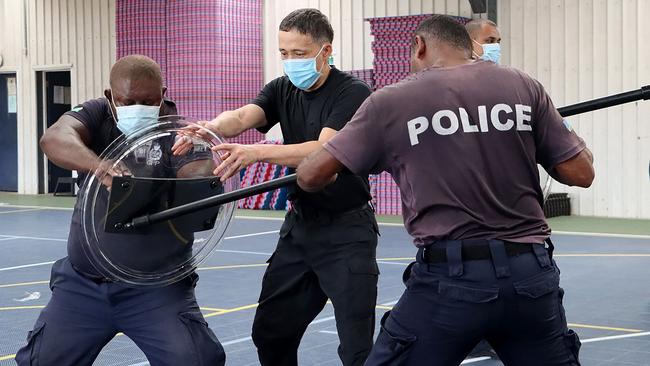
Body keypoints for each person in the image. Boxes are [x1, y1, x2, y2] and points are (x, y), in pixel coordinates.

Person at [297, 14, 593, 365]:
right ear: (469, 47)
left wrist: (334, 167)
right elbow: (580, 173)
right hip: (531, 276)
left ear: (419, 46)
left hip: (451, 282)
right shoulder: (522, 85)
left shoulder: (391, 101)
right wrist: (563, 133)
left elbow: (311, 176)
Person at [173, 8, 378, 366]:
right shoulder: (281, 89)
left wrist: (257, 152)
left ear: (325, 52)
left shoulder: (353, 92)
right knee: (271, 332)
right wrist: (209, 127)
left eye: (299, 54)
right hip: (299, 230)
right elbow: (240, 118)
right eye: (283, 53)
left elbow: (324, 149)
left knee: (356, 348)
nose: (289, 61)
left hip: (347, 233)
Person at [15, 55, 225, 366]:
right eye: (129, 100)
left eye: (149, 100)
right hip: (83, 285)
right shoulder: (96, 114)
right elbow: (54, 138)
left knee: (196, 359)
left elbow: (198, 171)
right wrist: (100, 167)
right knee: (42, 361)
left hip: (157, 289)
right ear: (110, 97)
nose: (138, 107)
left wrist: (195, 170)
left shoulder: (178, 130)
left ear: (163, 94)